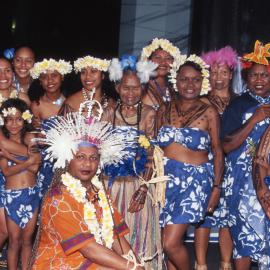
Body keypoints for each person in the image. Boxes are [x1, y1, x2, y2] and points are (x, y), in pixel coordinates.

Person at [30, 113, 144, 270]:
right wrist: (133, 268)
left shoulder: (98, 191)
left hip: (91, 260)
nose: (87, 164)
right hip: (60, 263)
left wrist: (135, 263)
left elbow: (116, 236)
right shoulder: (58, 199)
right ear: (68, 159)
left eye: (93, 158)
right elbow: (89, 249)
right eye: (80, 157)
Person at [157, 54, 223, 270]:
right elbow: (154, 147)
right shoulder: (163, 109)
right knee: (163, 243)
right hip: (164, 181)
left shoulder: (209, 111)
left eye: (195, 79)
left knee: (170, 243)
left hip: (194, 182)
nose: (190, 84)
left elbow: (218, 150)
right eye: (185, 79)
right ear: (176, 80)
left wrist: (216, 188)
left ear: (202, 82)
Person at [102, 55, 163, 269]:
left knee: (138, 237)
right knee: (110, 237)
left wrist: (144, 188)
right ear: (117, 87)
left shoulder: (149, 115)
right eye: (126, 88)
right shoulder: (108, 113)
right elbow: (97, 152)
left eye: (136, 88)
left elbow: (152, 155)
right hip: (110, 186)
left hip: (137, 186)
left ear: (143, 89)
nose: (131, 93)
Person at [221, 40, 270, 270]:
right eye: (254, 76)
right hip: (241, 183)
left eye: (264, 75)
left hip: (268, 180)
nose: (259, 80)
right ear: (247, 79)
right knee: (243, 238)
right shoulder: (238, 105)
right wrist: (254, 120)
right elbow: (226, 146)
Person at [195, 46, 238, 270]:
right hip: (207, 163)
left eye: (223, 72)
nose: (218, 77)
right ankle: (201, 264)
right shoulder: (200, 101)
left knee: (228, 217)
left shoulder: (240, 101)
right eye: (213, 72)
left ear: (231, 74)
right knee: (205, 215)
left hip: (233, 164)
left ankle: (225, 263)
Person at [0, 98, 41, 270]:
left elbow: (35, 168)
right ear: (4, 122)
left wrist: (12, 157)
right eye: (9, 120)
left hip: (31, 194)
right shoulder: (4, 145)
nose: (14, 124)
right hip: (12, 196)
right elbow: (7, 172)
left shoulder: (30, 139)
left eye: (18, 119)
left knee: (27, 241)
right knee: (14, 240)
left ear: (24, 119)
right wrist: (25, 162)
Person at [140, 38, 181, 110]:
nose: (163, 62)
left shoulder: (175, 88)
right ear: (148, 60)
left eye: (168, 58)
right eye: (158, 57)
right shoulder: (141, 86)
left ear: (174, 62)